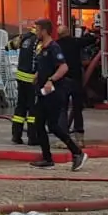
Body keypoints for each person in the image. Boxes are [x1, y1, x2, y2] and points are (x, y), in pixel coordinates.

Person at [29, 18, 86, 171]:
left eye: (38, 29)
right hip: (43, 93)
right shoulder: (42, 48)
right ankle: (47, 159)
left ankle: (77, 153)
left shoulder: (54, 47)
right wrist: (37, 76)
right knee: (39, 124)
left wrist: (50, 80)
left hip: (54, 93)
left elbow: (63, 67)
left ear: (45, 31)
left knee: (53, 126)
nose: (36, 32)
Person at [8, 24, 39, 145]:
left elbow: (8, 46)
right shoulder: (38, 41)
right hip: (32, 80)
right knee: (33, 110)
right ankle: (33, 138)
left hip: (20, 78)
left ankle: (16, 136)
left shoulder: (24, 38)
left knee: (20, 108)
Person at [56, 25, 87, 136]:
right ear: (68, 32)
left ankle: (64, 137)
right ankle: (80, 137)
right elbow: (90, 40)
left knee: (62, 109)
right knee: (77, 109)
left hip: (63, 81)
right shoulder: (75, 42)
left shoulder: (56, 45)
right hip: (76, 80)